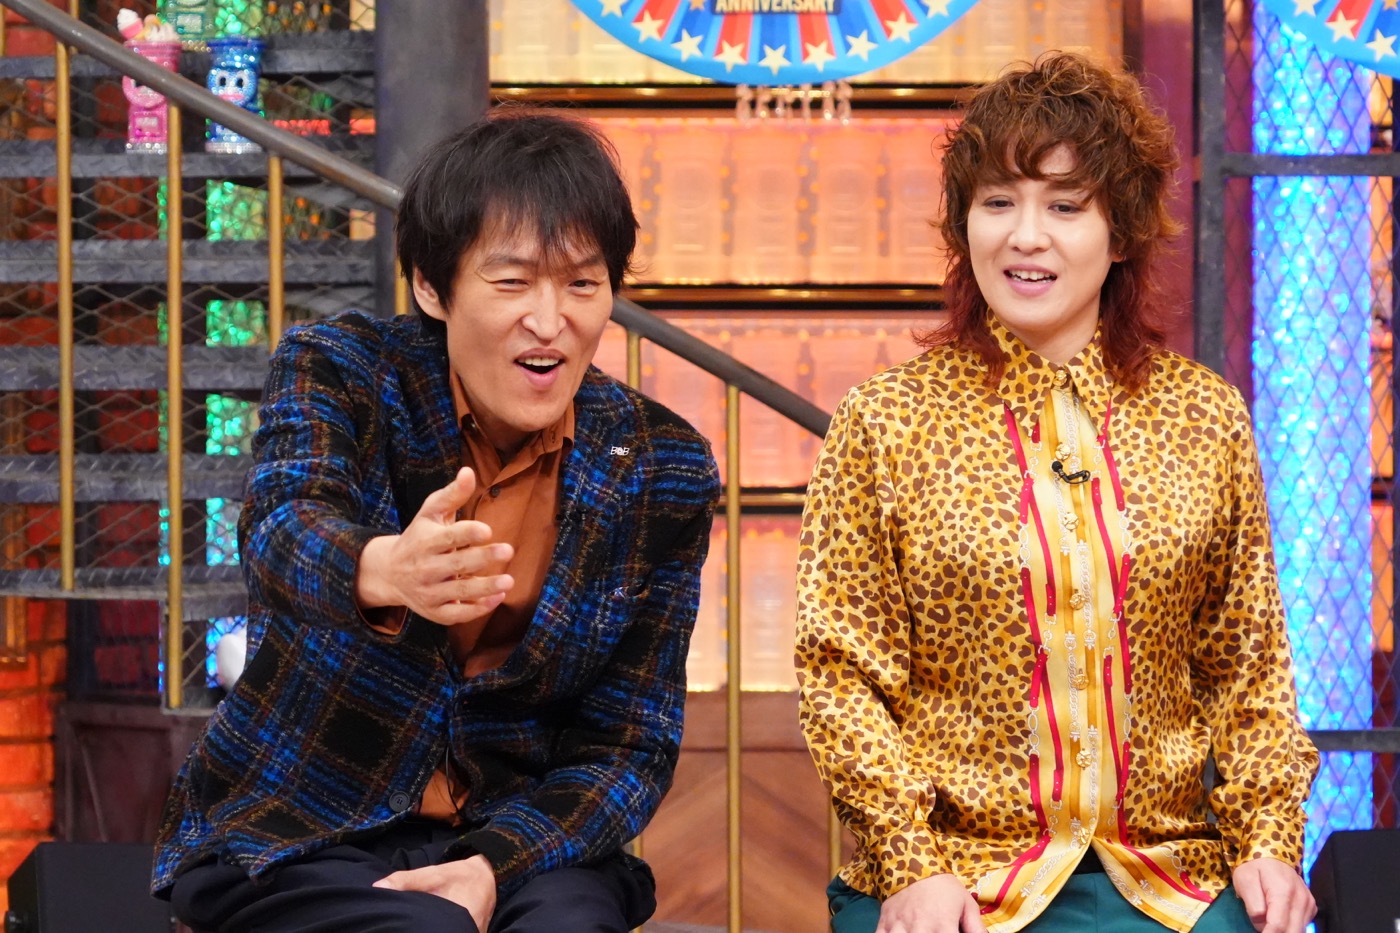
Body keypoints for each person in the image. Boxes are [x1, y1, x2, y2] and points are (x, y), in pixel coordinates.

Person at [151, 109, 721, 933]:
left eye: (581, 284)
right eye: (512, 282)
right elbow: (280, 531)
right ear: (431, 285)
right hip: (306, 822)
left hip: (518, 835)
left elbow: (628, 744)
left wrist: (493, 863)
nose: (550, 320)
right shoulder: (343, 369)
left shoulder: (664, 465)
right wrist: (383, 568)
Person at [794, 52, 1319, 933]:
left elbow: (1248, 667)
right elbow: (839, 676)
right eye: (998, 202)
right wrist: (911, 864)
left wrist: (1269, 839)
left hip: (1170, 879)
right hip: (955, 880)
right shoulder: (885, 421)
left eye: (1065, 206)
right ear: (963, 223)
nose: (1025, 236)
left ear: (1123, 233)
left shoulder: (1205, 417)